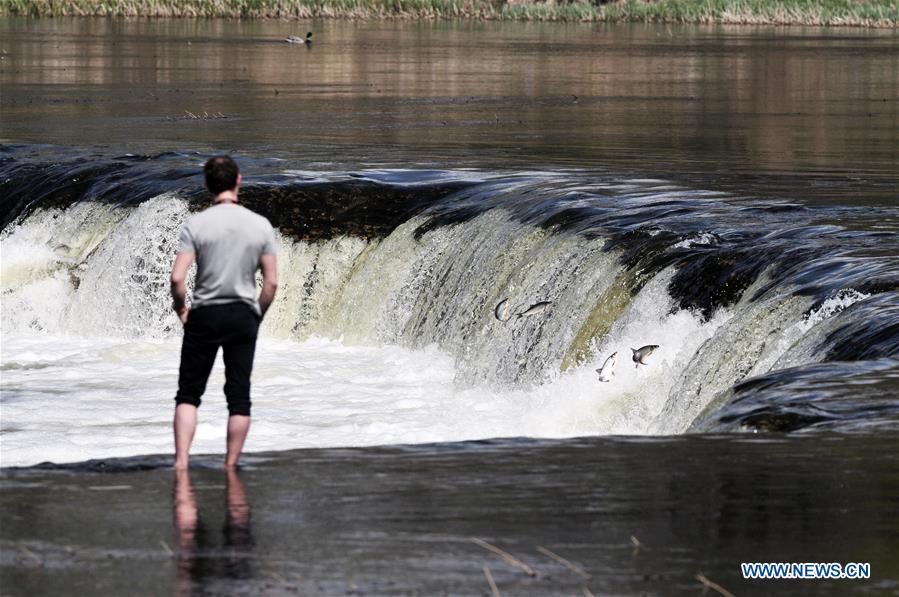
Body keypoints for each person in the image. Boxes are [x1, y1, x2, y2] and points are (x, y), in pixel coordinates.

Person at [170, 155, 278, 469]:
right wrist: (256, 314)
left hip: (204, 314)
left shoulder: (196, 224)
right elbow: (271, 282)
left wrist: (181, 308)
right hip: (242, 315)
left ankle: (181, 463)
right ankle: (231, 465)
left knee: (188, 394)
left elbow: (178, 277)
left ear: (208, 185)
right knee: (239, 396)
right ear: (238, 180)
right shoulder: (260, 225)